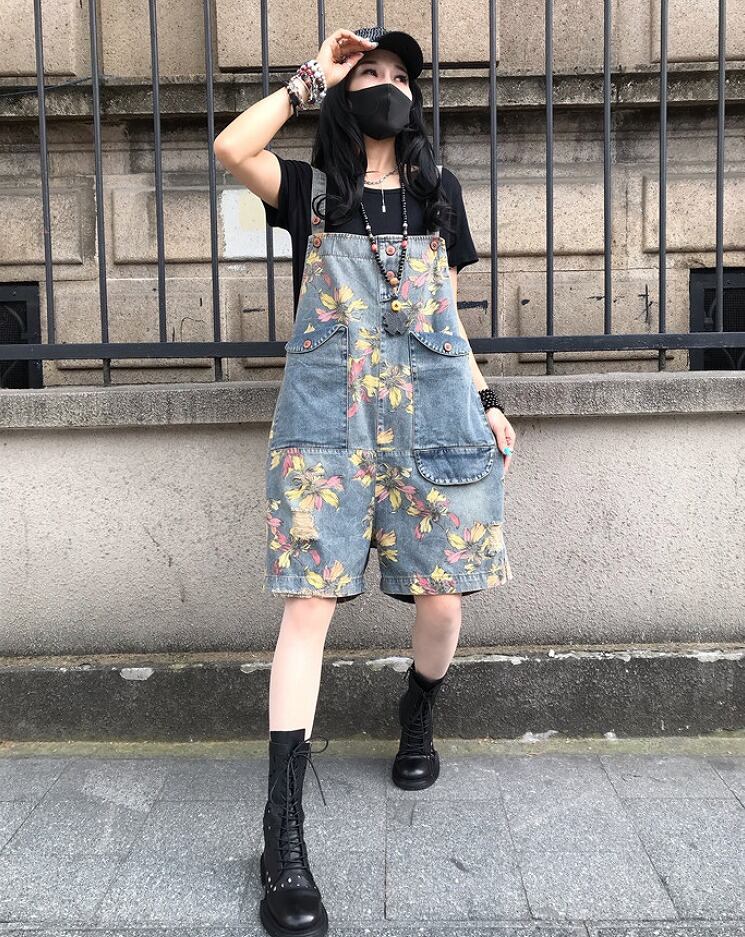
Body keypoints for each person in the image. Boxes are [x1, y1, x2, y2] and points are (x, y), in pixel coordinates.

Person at [214, 24, 517, 937]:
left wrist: (486, 398)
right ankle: (281, 831)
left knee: (444, 603)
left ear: (416, 99)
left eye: (398, 75)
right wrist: (314, 73)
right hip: (328, 427)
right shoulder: (309, 192)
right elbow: (231, 146)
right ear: (346, 94)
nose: (385, 84)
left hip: (433, 413)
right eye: (369, 73)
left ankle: (417, 712)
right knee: (308, 605)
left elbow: (446, 312)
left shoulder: (437, 192)